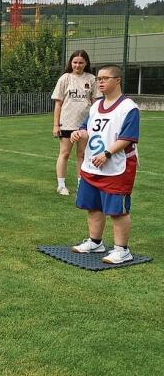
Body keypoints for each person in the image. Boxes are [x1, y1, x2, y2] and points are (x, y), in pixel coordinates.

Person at [70, 65, 139, 264]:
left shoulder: (128, 107)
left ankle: (122, 250)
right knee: (93, 206)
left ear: (117, 80)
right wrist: (78, 133)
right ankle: (95, 242)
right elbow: (86, 129)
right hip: (93, 165)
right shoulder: (95, 106)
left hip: (117, 166)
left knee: (118, 210)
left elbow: (128, 137)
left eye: (105, 78)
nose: (100, 82)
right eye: (99, 78)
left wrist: (107, 153)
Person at [51, 50, 96, 195]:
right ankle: (61, 185)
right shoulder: (65, 78)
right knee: (64, 153)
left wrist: (94, 122)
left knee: (82, 155)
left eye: (81, 62)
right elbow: (58, 103)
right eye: (75, 62)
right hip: (67, 124)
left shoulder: (91, 79)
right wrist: (56, 125)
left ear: (86, 63)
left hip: (85, 125)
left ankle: (81, 184)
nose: (77, 65)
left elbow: (95, 103)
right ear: (71, 63)